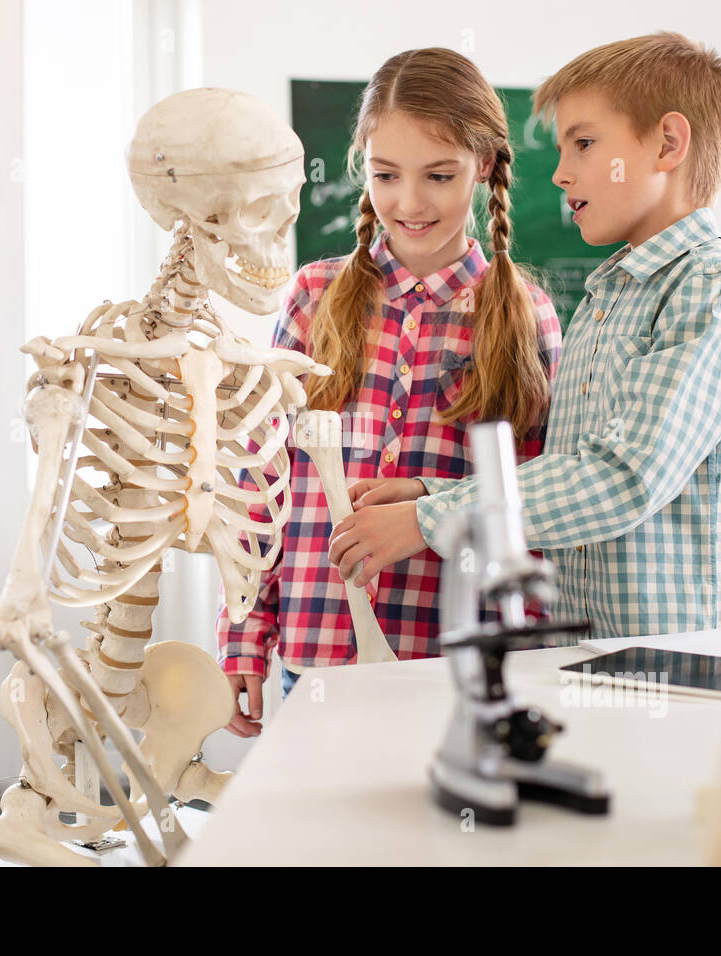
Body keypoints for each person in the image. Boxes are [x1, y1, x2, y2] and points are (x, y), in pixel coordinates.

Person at [329, 32, 721, 640]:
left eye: (583, 143)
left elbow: (624, 477)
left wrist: (429, 517)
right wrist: (433, 491)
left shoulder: (714, 291)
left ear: (667, 143)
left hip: (688, 662)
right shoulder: (612, 299)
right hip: (600, 655)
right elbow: (565, 478)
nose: (559, 173)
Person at [216, 47, 563, 734]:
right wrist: (242, 635)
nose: (409, 202)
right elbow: (261, 478)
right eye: (385, 174)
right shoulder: (313, 296)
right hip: (314, 650)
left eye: (439, 175)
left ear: (485, 165)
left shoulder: (526, 315)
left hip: (453, 656)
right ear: (361, 166)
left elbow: (539, 501)